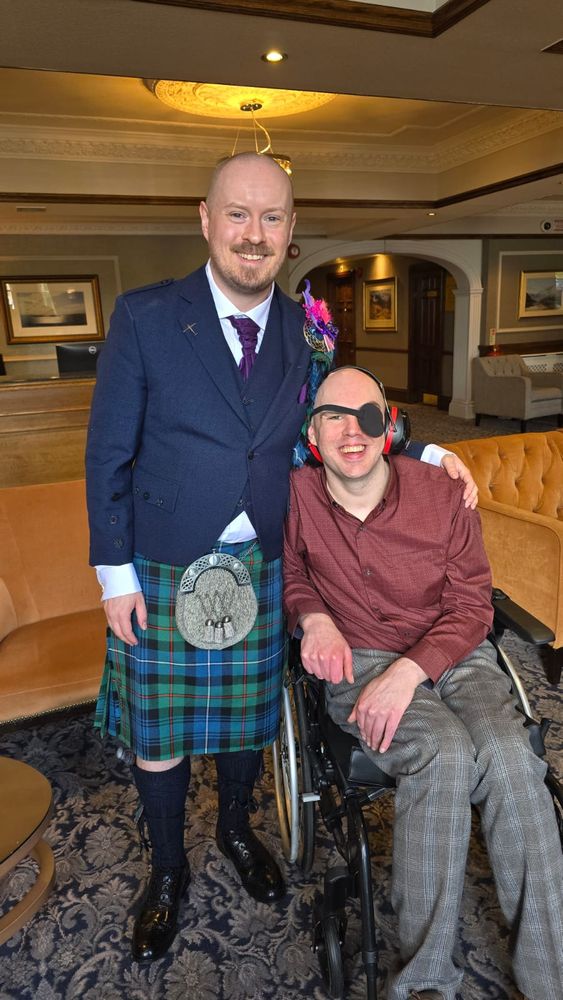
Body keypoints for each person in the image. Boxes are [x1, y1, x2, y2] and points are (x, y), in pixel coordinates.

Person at [85, 152, 478, 965]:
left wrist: (431, 451)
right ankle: (166, 871)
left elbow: (349, 420)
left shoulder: (311, 328)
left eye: (271, 218)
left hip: (265, 560)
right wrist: (113, 573)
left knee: (239, 726)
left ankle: (233, 830)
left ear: (291, 231)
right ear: (206, 219)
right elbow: (106, 454)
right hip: (162, 562)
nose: (254, 235)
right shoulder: (147, 316)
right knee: (159, 734)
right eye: (238, 215)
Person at [283, 366, 563, 1000]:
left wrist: (413, 670)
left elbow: (472, 606)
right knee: (440, 751)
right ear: (311, 432)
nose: (352, 431)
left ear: (392, 427)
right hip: (360, 659)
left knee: (512, 759)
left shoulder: (443, 493)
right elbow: (293, 571)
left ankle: (551, 978)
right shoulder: (295, 496)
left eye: (369, 416)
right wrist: (313, 616)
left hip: (453, 653)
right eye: (333, 416)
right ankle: (426, 984)